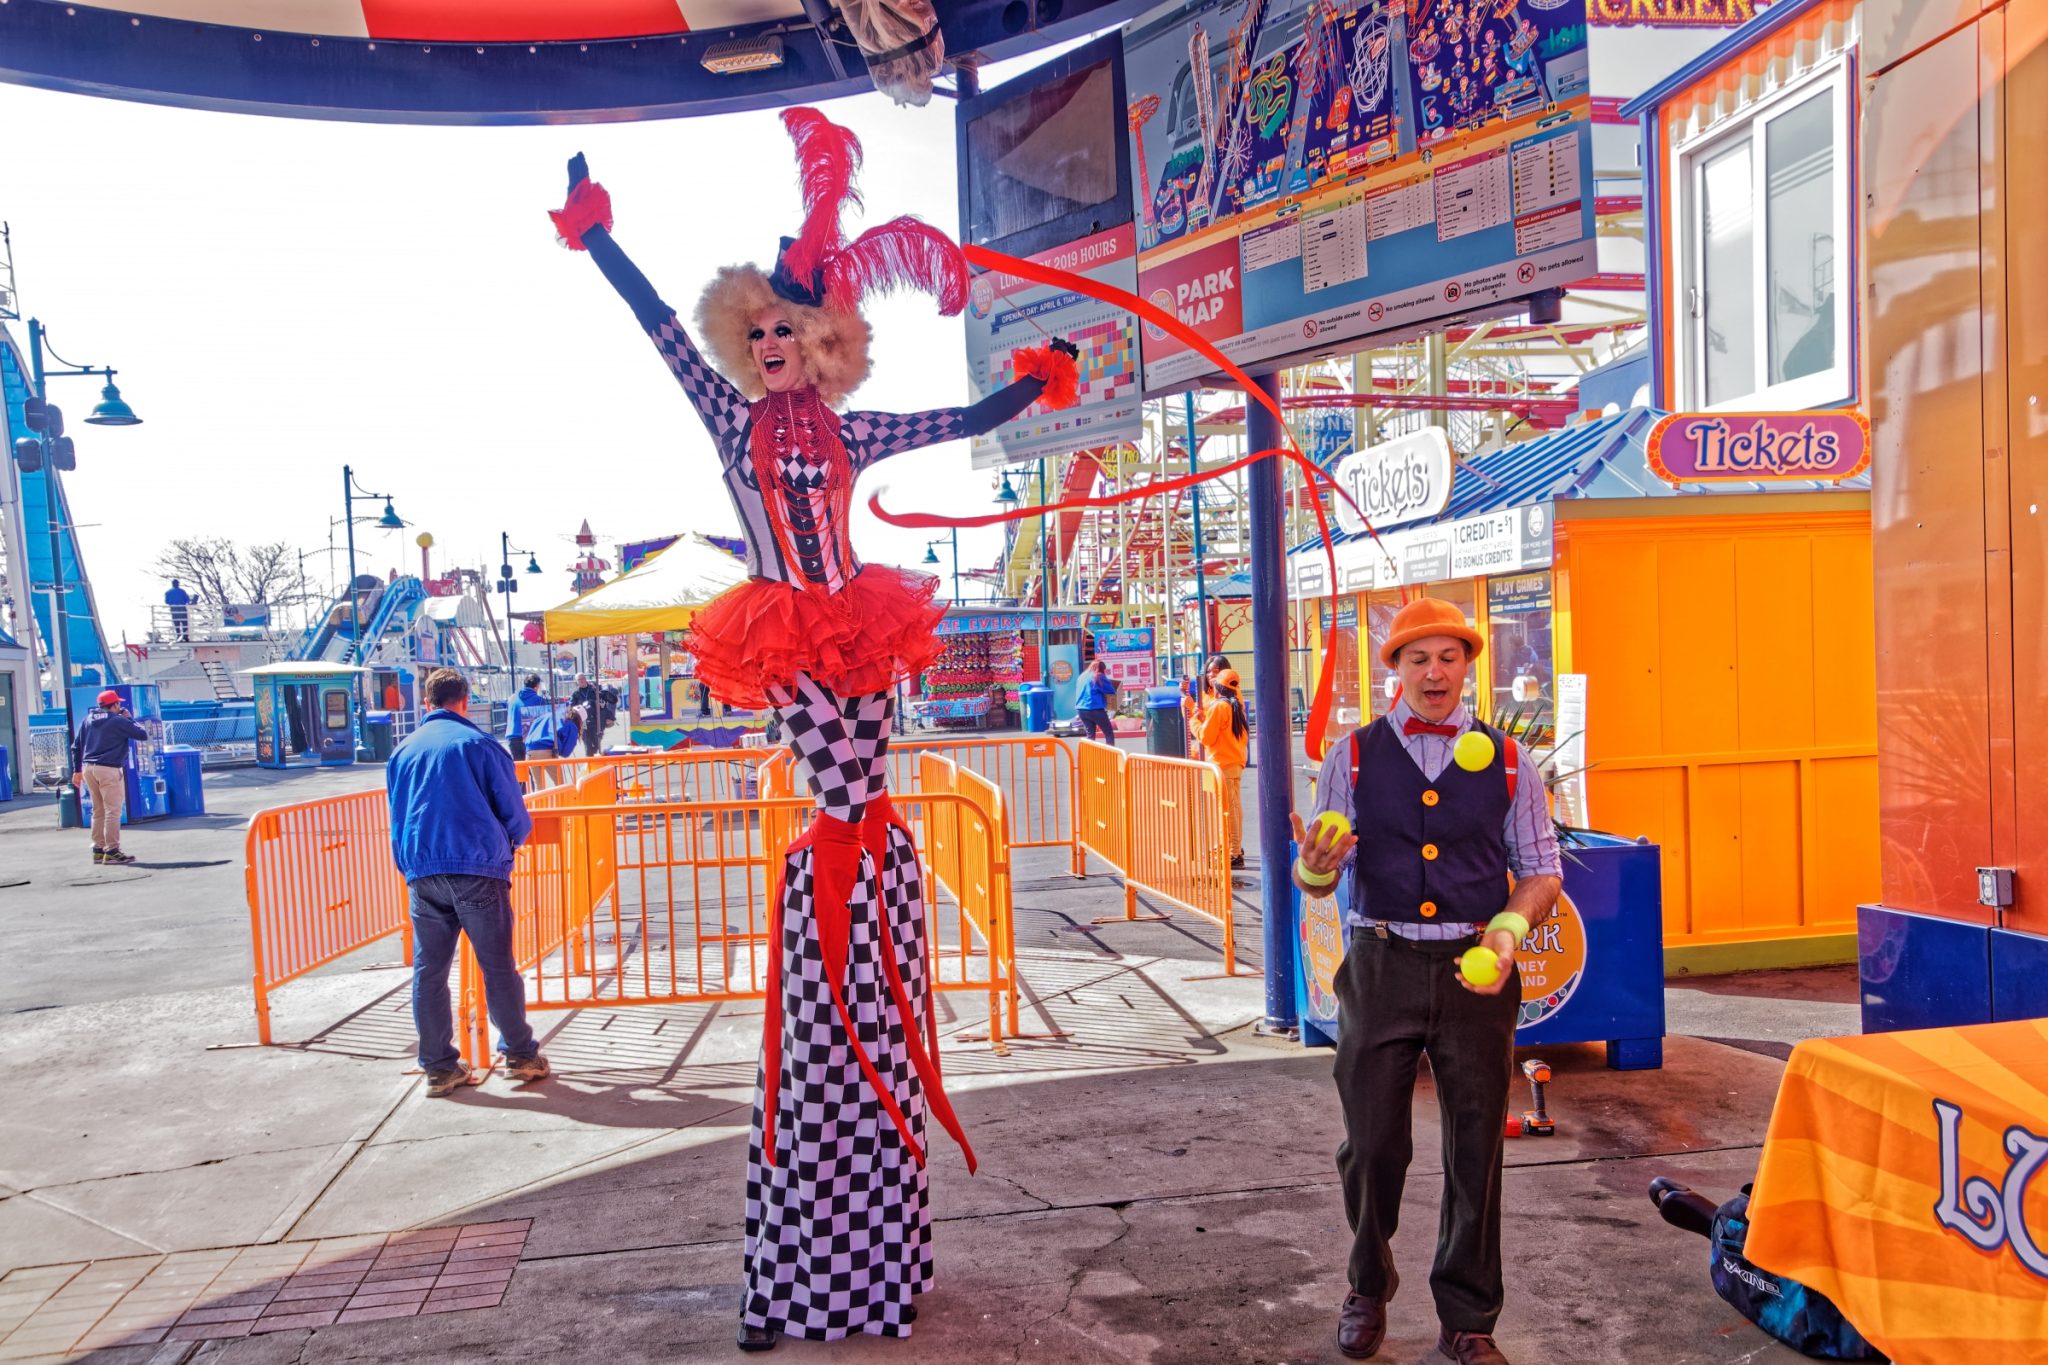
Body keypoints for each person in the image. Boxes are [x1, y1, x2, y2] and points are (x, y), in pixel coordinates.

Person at [549, 107, 1079, 1349]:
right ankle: (843, 853)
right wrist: (602, 241)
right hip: (790, 629)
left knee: (860, 769)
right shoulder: (730, 417)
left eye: (796, 330)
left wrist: (1031, 382)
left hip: (852, 623)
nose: (775, 343)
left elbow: (958, 428)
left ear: (828, 345)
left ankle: (855, 849)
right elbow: (656, 332)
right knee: (835, 777)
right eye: (762, 330)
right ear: (748, 341)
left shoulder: (851, 430)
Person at [1292, 597, 1561, 1365]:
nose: (1434, 671)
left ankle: (1468, 1318)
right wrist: (1316, 864)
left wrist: (1508, 932)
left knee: (1476, 1147)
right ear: (1396, 671)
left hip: (1477, 970)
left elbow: (1542, 871)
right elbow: (1316, 880)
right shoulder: (1350, 757)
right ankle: (1367, 1282)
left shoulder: (1510, 762)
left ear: (1467, 666)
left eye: (1448, 656)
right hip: (1381, 963)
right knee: (1372, 1143)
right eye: (1418, 658)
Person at [386, 667, 549, 1097]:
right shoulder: (480, 746)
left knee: (430, 971)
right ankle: (520, 1055)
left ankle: (440, 1067)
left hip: (423, 871)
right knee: (496, 967)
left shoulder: (401, 751)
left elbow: (397, 816)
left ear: (426, 703)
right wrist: (512, 841)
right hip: (477, 867)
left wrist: (409, 864)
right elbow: (514, 812)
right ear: (464, 701)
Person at [71, 689, 148, 866]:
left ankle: (98, 850)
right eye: (118, 704)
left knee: (97, 810)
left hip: (89, 768)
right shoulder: (117, 720)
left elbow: (76, 747)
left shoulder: (88, 720)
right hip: (108, 769)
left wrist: (77, 771)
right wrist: (128, 718)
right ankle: (112, 850)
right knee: (112, 811)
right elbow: (142, 734)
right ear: (114, 705)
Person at [1200, 668, 1249, 868]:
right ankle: (1232, 847)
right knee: (1234, 809)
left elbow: (1206, 737)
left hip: (1222, 765)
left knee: (1228, 811)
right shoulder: (1236, 706)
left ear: (1219, 686)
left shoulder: (1219, 707)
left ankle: (1234, 852)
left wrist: (1195, 720)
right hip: (1235, 764)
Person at [506, 674, 548, 762]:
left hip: (512, 735)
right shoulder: (539, 700)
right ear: (537, 686)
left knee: (519, 769)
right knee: (533, 767)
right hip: (529, 737)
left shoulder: (512, 698)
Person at [1076, 659, 1118, 745]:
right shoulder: (1098, 676)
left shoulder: (1081, 676)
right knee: (1108, 732)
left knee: (1090, 735)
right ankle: (1111, 756)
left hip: (1081, 709)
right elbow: (1111, 691)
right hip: (1095, 709)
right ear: (1102, 669)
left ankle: (1090, 756)